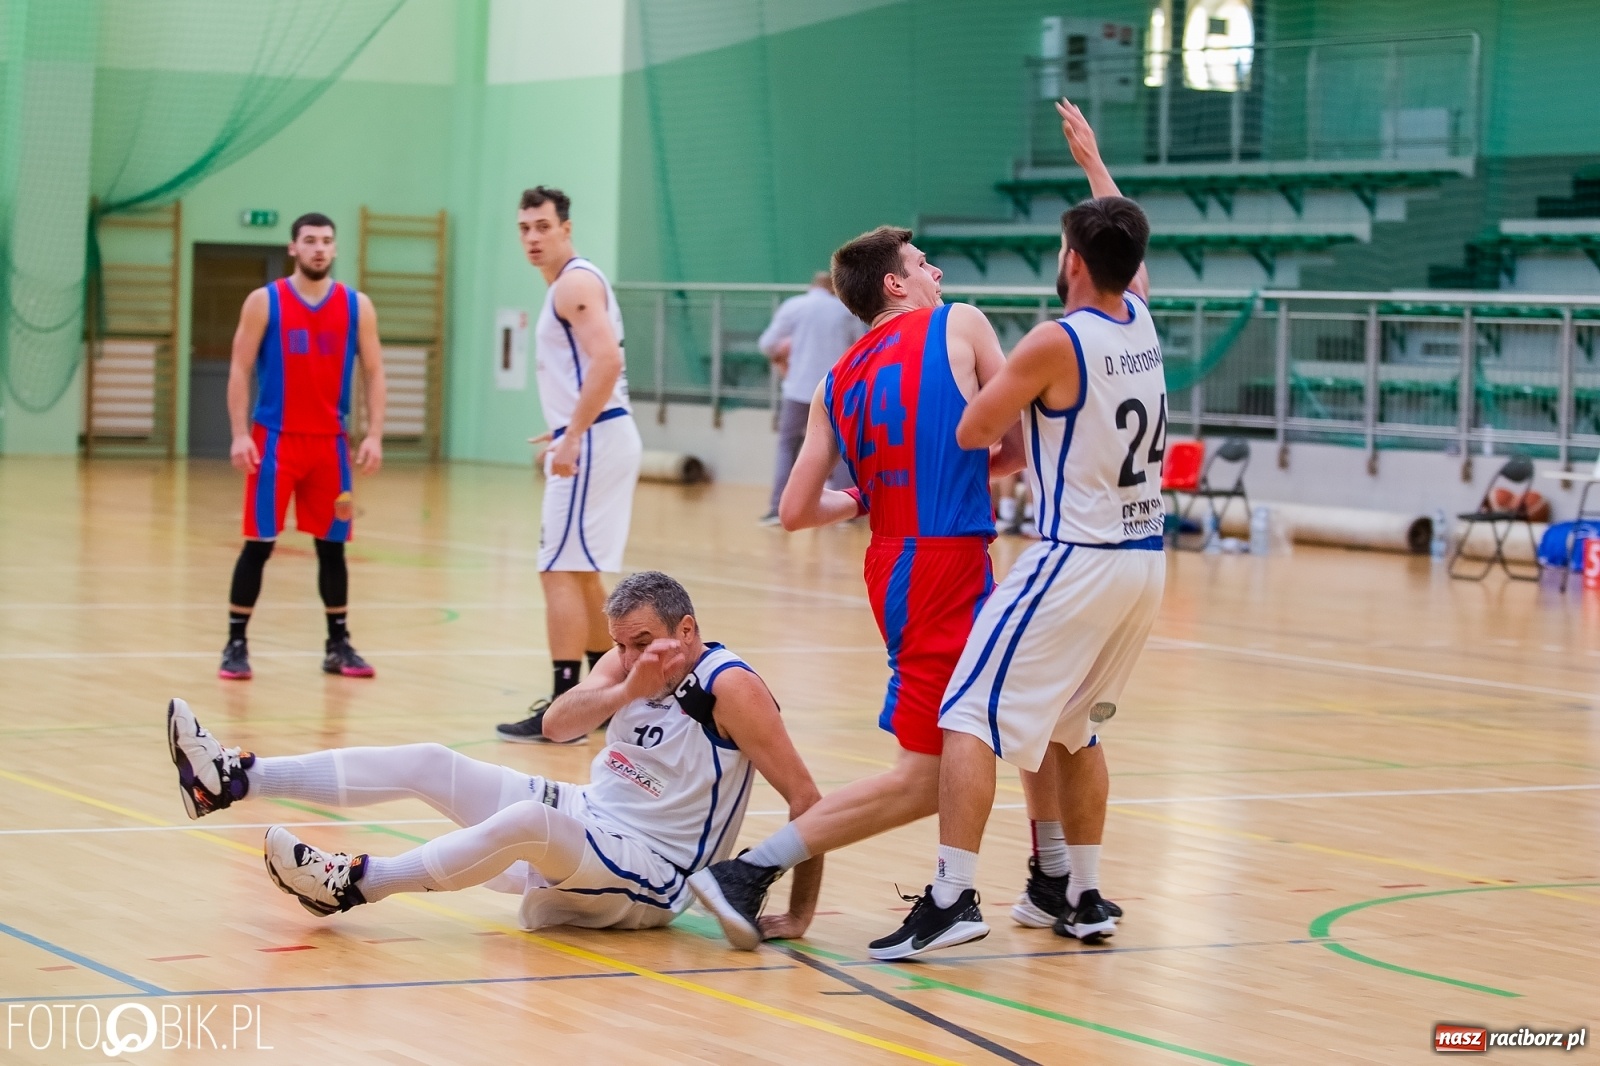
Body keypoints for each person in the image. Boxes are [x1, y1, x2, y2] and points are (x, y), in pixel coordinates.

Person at [873, 99, 1166, 960]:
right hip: (1144, 565)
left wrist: (950, 367)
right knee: (1077, 729)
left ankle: (951, 896)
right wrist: (1094, 165)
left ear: (1072, 260)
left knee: (967, 713)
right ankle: (1080, 894)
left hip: (1076, 557)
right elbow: (1127, 248)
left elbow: (972, 431)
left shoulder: (1055, 340)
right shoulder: (1138, 316)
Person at [688, 227, 1023, 950]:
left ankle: (1036, 880)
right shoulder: (960, 323)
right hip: (948, 562)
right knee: (931, 770)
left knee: (957, 754)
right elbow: (1015, 445)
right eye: (922, 263)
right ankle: (749, 871)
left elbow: (795, 512)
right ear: (895, 285)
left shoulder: (834, 382)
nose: (936, 270)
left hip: (891, 565)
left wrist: (871, 491)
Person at [169, 571, 824, 935]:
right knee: (430, 759)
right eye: (619, 643)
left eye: (641, 641)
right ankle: (229, 779)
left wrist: (798, 912)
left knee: (531, 823)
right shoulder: (629, 668)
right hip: (594, 820)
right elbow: (560, 727)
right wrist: (627, 686)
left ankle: (354, 886)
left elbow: (808, 801)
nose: (626, 654)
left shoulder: (730, 687)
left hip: (655, 872)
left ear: (688, 630)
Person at [497, 186, 644, 744]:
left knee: (556, 567)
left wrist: (574, 432)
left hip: (597, 438)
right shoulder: (570, 284)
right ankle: (605, 696)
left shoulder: (575, 284)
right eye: (524, 228)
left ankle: (564, 706)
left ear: (566, 228)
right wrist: (564, 423)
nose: (533, 237)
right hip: (600, 432)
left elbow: (608, 360)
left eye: (542, 226)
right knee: (579, 569)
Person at [219, 212, 386, 681]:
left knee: (332, 548)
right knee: (259, 545)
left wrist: (373, 433)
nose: (318, 248)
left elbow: (374, 371)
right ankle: (236, 643)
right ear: (293, 247)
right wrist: (237, 434)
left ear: (335, 249)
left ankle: (338, 644)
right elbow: (238, 368)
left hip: (330, 447)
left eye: (327, 241)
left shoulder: (357, 306)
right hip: (273, 442)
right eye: (309, 240)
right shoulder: (264, 301)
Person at [757, 271, 863, 524]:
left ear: (811, 286)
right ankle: (843, 513)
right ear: (835, 289)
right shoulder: (844, 310)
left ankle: (777, 508)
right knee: (840, 447)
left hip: (798, 389)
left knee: (788, 445)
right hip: (835, 390)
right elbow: (861, 344)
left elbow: (767, 343)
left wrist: (781, 357)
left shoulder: (794, 306)